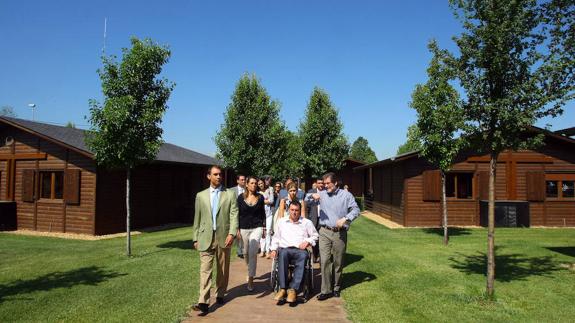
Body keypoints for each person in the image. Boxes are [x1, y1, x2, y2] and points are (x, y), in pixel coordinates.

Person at [191, 165, 238, 315]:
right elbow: (197, 218)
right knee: (205, 270)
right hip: (205, 237)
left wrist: (232, 233)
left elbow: (234, 215)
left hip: (224, 236)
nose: (219, 177)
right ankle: (203, 302)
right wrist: (195, 238)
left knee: (223, 269)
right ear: (208, 176)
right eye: (215, 174)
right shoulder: (201, 195)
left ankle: (220, 293)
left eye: (220, 175)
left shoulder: (230, 194)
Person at [306, 172, 360, 301]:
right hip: (324, 231)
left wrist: (346, 218)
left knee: (338, 261)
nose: (325, 186)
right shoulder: (322, 194)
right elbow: (306, 199)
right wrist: (311, 196)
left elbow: (356, 210)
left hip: (339, 233)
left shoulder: (346, 195)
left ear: (335, 183)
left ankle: (336, 287)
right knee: (324, 261)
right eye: (324, 184)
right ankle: (326, 290)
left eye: (328, 183)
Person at [270, 201, 319, 304]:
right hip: (285, 249)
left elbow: (315, 236)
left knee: (303, 256)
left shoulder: (306, 222)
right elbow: (276, 238)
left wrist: (307, 241)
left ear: (300, 211)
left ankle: (293, 290)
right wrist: (274, 249)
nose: (294, 212)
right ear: (288, 210)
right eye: (292, 210)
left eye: (296, 210)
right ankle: (283, 289)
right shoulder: (281, 222)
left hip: (300, 250)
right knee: (282, 254)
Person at [237, 176, 266, 291]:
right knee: (245, 253)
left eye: (256, 183)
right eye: (252, 183)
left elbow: (262, 213)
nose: (254, 185)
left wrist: (264, 228)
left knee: (253, 252)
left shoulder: (261, 197)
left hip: (256, 227)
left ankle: (250, 278)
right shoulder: (240, 198)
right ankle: (249, 269)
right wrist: (237, 229)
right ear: (247, 185)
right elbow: (237, 214)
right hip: (243, 228)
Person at [306, 177, 325, 263]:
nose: (321, 184)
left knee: (323, 239)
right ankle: (315, 254)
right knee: (314, 238)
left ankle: (322, 257)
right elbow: (307, 205)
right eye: (319, 183)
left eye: (322, 183)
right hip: (313, 218)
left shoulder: (326, 192)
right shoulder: (311, 192)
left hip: (324, 219)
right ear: (316, 184)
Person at [231, 174, 246, 258]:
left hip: (244, 215)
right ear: (237, 181)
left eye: (244, 180)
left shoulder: (247, 190)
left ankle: (242, 250)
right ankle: (239, 250)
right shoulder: (232, 190)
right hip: (235, 214)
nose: (243, 181)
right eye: (242, 180)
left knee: (244, 232)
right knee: (237, 232)